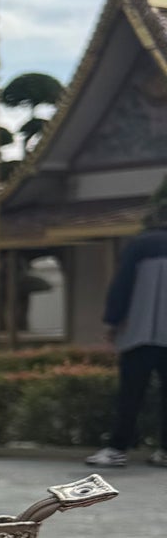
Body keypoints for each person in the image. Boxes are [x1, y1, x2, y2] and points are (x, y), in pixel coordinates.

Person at [94, 194, 167, 466]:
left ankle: (117, 449)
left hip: (141, 335)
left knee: (130, 395)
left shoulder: (139, 246)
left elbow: (122, 287)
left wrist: (113, 322)